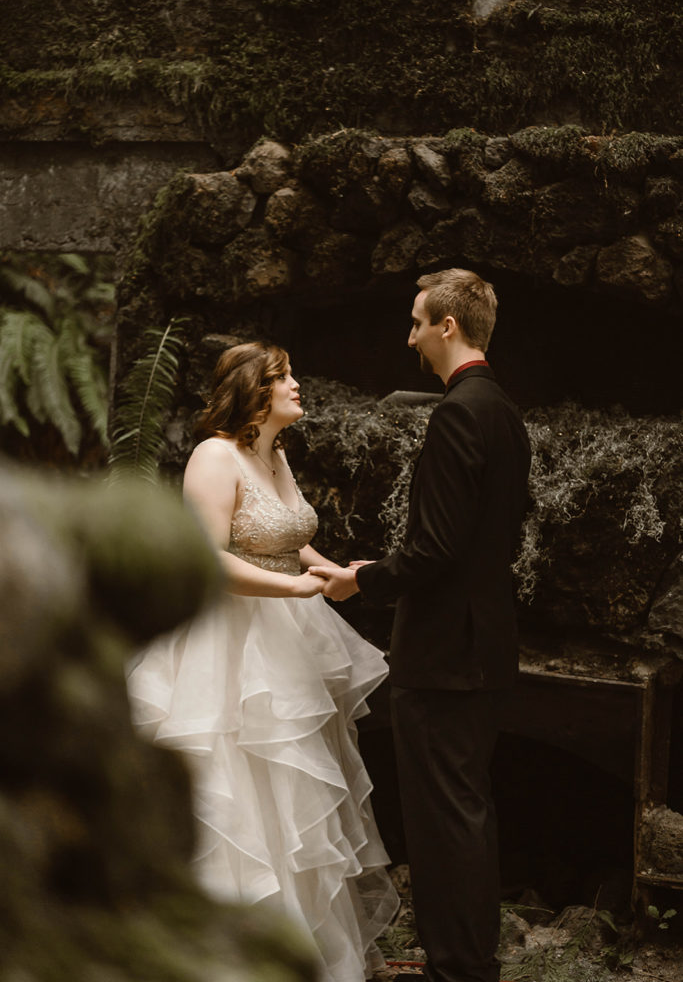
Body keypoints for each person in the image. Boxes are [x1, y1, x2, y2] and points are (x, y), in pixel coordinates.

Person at [126, 342, 399, 982]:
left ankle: (295, 951)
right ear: (255, 390)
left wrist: (331, 570)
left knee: (294, 795)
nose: (298, 386)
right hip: (227, 646)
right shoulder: (214, 457)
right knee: (238, 792)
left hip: (287, 641)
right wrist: (294, 588)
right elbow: (207, 559)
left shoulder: (272, 453)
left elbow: (288, 535)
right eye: (285, 377)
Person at [310, 269, 531, 982]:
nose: (408, 338)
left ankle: (458, 969)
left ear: (447, 326)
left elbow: (434, 549)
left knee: (445, 823)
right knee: (463, 811)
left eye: (414, 322)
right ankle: (464, 961)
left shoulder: (458, 413)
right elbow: (479, 539)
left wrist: (361, 578)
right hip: (484, 641)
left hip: (443, 653)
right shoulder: (501, 407)